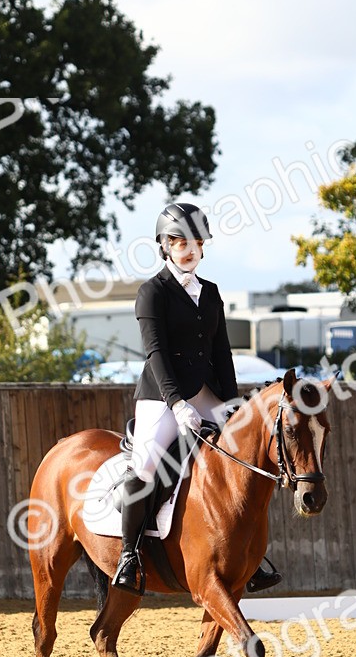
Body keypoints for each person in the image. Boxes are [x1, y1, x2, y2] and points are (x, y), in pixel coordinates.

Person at [111, 201, 281, 595]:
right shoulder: (151, 293)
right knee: (149, 465)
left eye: (195, 242)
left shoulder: (211, 292)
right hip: (161, 396)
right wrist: (176, 404)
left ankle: (246, 558)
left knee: (243, 458)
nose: (189, 249)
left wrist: (233, 405)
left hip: (207, 393)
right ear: (165, 246)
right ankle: (129, 556)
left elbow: (222, 354)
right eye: (179, 242)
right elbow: (155, 354)